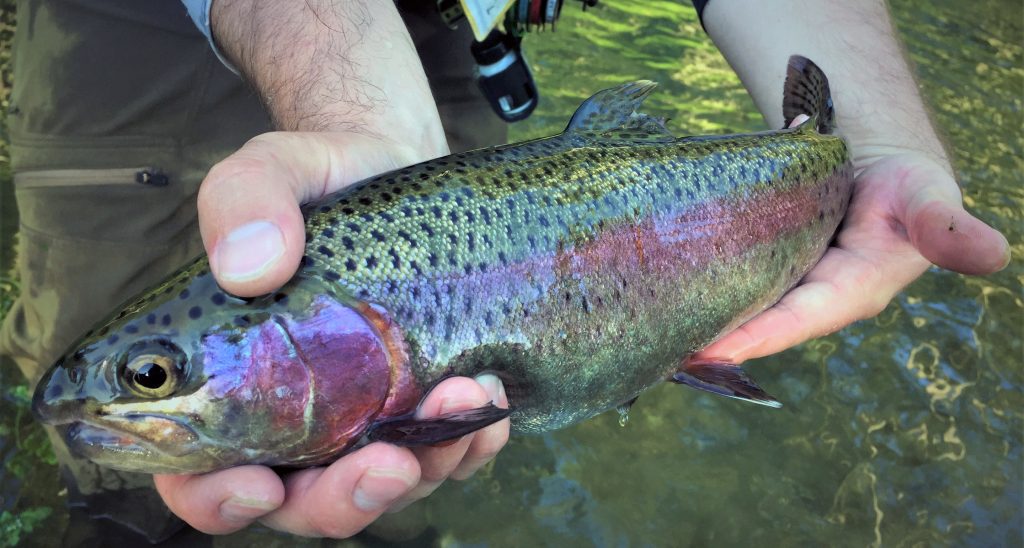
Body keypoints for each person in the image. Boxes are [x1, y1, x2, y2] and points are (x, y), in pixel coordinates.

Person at [1, 0, 1008, 541]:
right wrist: (354, 106)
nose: (145, 384)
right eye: (154, 373)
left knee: (400, 488)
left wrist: (863, 144)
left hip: (455, 33)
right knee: (133, 500)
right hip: (160, 35)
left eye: (151, 375)